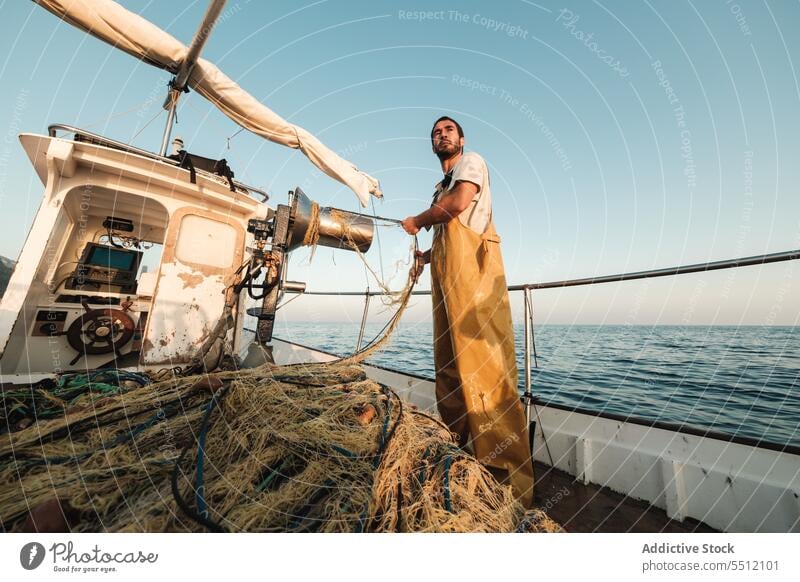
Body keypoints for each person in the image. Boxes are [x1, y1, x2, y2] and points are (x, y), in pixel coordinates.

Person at [401, 116, 535, 507]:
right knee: (449, 368)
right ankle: (461, 454)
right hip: (445, 280)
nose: (441, 135)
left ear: (461, 139)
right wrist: (425, 256)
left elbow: (458, 206)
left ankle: (508, 484)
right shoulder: (439, 187)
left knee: (486, 371)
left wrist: (416, 221)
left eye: (448, 130)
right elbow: (445, 225)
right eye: (435, 133)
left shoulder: (470, 164)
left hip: (474, 279)